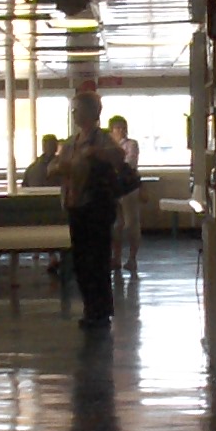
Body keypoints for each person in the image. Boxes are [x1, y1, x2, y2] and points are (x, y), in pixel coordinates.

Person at [54, 93, 123, 328]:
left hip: (97, 207)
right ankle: (90, 307)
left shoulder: (102, 139)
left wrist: (96, 153)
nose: (75, 114)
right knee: (82, 261)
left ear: (93, 113)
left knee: (97, 260)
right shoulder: (71, 143)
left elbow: (119, 157)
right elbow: (55, 166)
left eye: (78, 110)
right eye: (73, 110)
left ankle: (100, 310)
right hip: (76, 207)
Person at [107, 113, 143, 277]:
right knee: (116, 224)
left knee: (131, 223)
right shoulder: (107, 146)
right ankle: (116, 258)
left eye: (123, 128)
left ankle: (132, 258)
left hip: (128, 187)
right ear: (111, 130)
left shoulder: (131, 144)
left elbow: (129, 163)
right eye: (117, 128)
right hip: (113, 187)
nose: (121, 131)